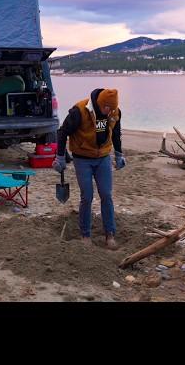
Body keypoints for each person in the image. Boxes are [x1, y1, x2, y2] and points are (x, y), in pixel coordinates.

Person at [52, 88, 126, 249]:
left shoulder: (114, 113)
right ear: (99, 103)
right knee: (87, 196)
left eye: (112, 108)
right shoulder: (80, 111)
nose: (109, 111)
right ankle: (85, 235)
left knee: (106, 194)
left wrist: (119, 154)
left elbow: (116, 133)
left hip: (103, 158)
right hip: (82, 159)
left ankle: (110, 234)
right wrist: (60, 156)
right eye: (106, 107)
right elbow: (62, 132)